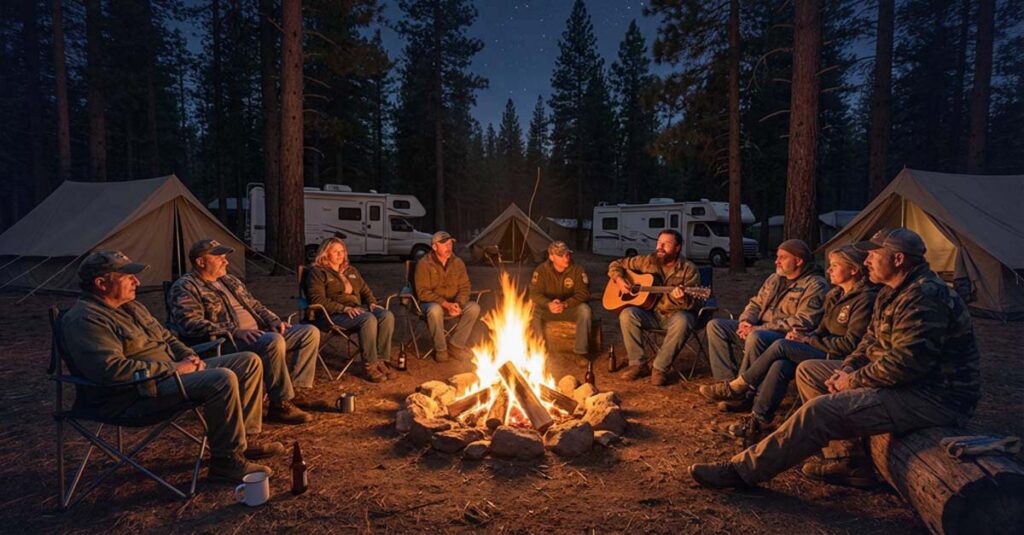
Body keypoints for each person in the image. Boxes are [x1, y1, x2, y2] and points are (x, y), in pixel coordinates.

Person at [689, 228, 981, 489]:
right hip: (903, 383)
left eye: (873, 256)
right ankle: (848, 461)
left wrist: (851, 380)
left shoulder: (924, 297)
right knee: (808, 371)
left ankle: (742, 471)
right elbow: (868, 342)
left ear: (899, 259)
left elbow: (905, 365)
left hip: (933, 397)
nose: (866, 261)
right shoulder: (891, 292)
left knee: (820, 411)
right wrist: (850, 366)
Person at [61, 251, 286, 482]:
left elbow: (168, 338)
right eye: (127, 276)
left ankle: (242, 441)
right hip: (136, 391)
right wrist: (175, 368)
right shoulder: (85, 319)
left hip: (170, 373)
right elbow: (111, 370)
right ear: (101, 284)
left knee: (247, 361)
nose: (136, 281)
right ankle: (225, 461)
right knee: (222, 378)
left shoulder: (132, 307)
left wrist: (191, 358)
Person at [700, 245, 879, 444]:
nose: (829, 270)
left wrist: (805, 338)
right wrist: (746, 321)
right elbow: (817, 326)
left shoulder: (862, 299)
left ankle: (740, 387)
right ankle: (758, 421)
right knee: (780, 364)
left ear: (853, 270)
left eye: (835, 266)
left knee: (781, 345)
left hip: (837, 357)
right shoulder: (835, 295)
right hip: (812, 343)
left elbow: (849, 344)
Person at [169, 239, 317, 421]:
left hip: (258, 334)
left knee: (308, 332)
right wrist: (234, 331)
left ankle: (296, 391)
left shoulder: (229, 280)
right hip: (222, 343)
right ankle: (280, 404)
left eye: (225, 257)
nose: (226, 261)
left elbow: (254, 304)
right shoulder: (185, 286)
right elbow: (189, 324)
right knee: (272, 341)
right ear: (201, 262)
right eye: (219, 258)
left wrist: (273, 319)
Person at [705, 239, 828, 391]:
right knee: (716, 325)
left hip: (783, 337)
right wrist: (746, 321)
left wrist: (759, 328)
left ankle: (744, 391)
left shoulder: (815, 285)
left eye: (782, 257)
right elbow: (756, 303)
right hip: (758, 328)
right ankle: (726, 383)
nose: (776, 261)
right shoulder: (775, 279)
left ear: (798, 261)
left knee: (757, 336)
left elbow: (804, 321)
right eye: (777, 257)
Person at [608, 230, 703, 386]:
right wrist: (618, 279)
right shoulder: (647, 261)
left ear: (678, 248)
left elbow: (696, 305)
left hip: (675, 316)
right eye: (659, 243)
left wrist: (683, 297)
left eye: (666, 244)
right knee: (627, 314)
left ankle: (660, 368)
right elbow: (616, 264)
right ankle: (638, 364)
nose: (660, 247)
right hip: (651, 314)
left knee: (684, 320)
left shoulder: (688, 269)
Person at [302, 238, 396, 383]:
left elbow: (365, 290)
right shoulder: (318, 272)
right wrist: (343, 308)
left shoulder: (350, 270)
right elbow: (317, 300)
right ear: (325, 254)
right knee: (368, 319)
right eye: (336, 252)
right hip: (332, 315)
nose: (341, 255)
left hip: (356, 310)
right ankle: (370, 364)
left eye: (342, 251)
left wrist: (371, 302)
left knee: (386, 315)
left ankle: (381, 360)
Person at [414, 231, 481, 362]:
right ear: (434, 247)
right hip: (430, 303)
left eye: (450, 244)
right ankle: (441, 349)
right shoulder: (424, 264)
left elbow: (465, 287)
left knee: (474, 308)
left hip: (453, 302)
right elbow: (422, 292)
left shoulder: (457, 263)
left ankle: (456, 345)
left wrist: (459, 304)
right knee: (435, 310)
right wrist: (445, 304)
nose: (449, 247)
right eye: (444, 244)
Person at [529, 241, 592, 367]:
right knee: (532, 311)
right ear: (551, 257)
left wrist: (565, 304)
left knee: (585, 310)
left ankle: (580, 353)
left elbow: (583, 294)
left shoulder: (577, 270)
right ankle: (540, 351)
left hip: (569, 309)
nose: (566, 258)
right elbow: (534, 294)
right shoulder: (541, 271)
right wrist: (548, 304)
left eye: (567, 255)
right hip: (548, 310)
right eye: (561, 255)